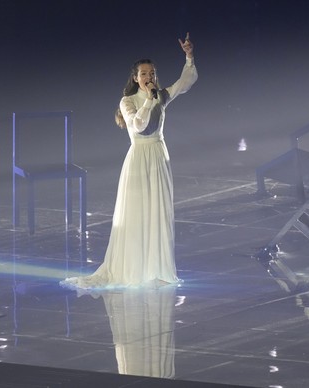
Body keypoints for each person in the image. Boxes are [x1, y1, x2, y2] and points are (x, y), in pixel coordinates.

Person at [61, 33, 198, 289]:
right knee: (137, 214)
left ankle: (157, 269)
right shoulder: (127, 101)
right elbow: (138, 125)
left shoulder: (162, 95)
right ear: (136, 78)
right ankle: (133, 269)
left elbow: (185, 82)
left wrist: (189, 56)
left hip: (158, 156)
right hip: (138, 159)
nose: (149, 78)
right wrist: (148, 98)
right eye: (144, 74)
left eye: (152, 73)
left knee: (158, 212)